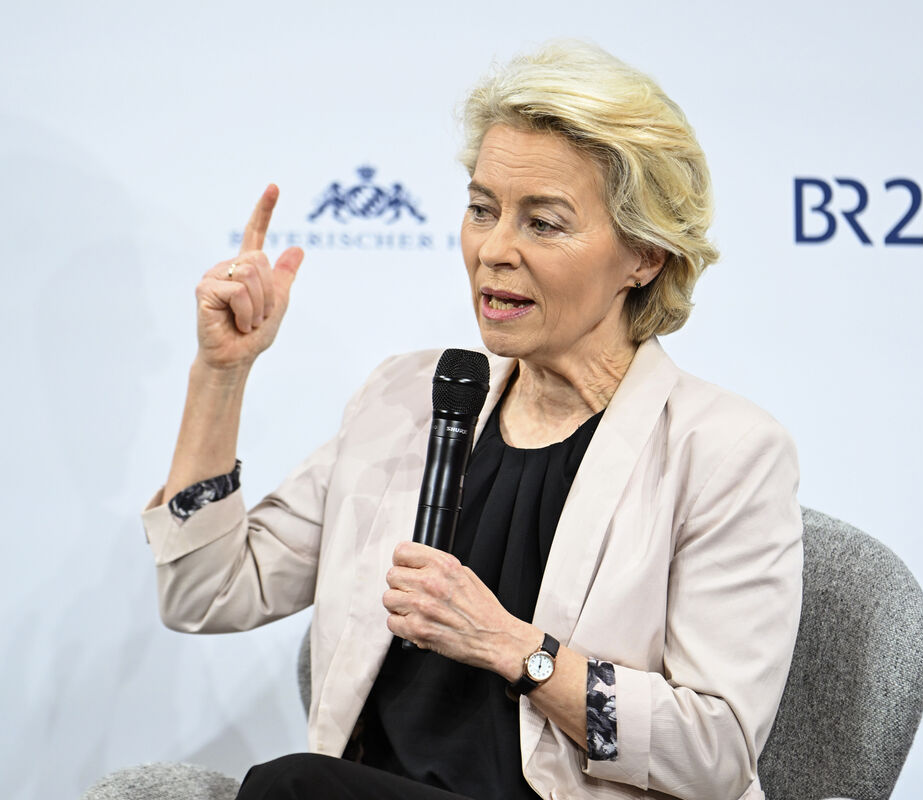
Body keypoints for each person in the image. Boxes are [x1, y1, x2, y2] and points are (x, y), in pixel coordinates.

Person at [143, 41, 802, 800]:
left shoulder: (723, 451)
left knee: (292, 789)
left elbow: (715, 753)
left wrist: (513, 648)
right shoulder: (410, 398)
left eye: (543, 223)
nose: (494, 250)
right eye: (483, 210)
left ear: (644, 256)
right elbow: (207, 591)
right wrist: (221, 373)